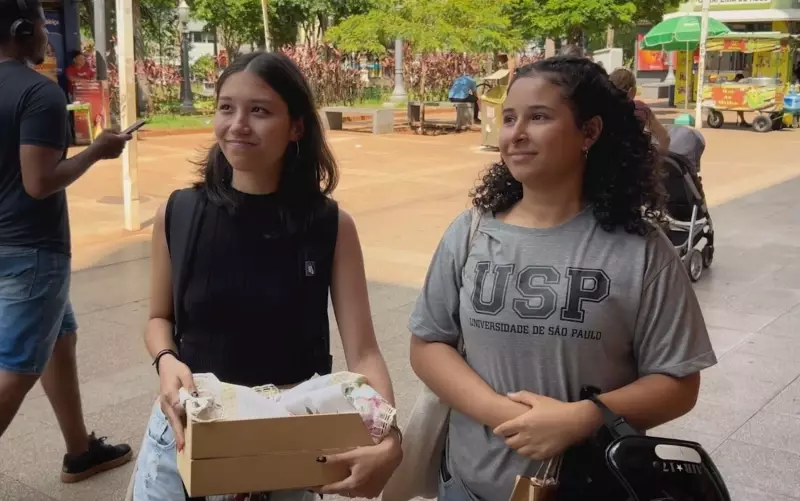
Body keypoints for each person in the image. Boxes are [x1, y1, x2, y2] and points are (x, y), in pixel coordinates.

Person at [409, 57, 716, 501]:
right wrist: (501, 415)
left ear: (589, 132)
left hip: (595, 489)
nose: (515, 134)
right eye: (509, 118)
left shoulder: (642, 250)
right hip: (467, 488)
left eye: (538, 117)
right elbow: (428, 344)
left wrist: (582, 418)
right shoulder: (471, 232)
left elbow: (679, 383)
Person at [132, 51, 403, 500]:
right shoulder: (178, 213)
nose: (238, 124)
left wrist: (388, 433)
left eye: (259, 110)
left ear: (296, 126)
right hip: (185, 438)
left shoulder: (331, 226)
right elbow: (158, 318)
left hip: (285, 451)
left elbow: (364, 351)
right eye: (226, 107)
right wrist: (166, 361)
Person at [0, 0, 133, 482]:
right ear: (21, 29)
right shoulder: (39, 93)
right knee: (16, 368)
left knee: (61, 336)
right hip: (32, 250)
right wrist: (99, 150)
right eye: (39, 24)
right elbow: (40, 181)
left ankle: (80, 451)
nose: (47, 35)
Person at [609, 67, 670, 155]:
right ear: (632, 91)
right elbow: (664, 137)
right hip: (632, 162)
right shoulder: (640, 108)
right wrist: (661, 161)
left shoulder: (599, 107)